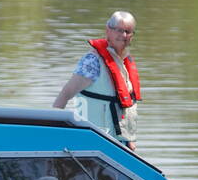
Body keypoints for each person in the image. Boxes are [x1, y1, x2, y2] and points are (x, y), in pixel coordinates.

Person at [52, 11, 141, 151]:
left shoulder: (124, 62)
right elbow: (65, 94)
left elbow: (125, 106)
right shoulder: (93, 61)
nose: (123, 35)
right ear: (108, 31)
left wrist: (129, 140)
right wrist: (53, 130)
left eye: (128, 31)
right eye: (119, 30)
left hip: (120, 146)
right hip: (95, 144)